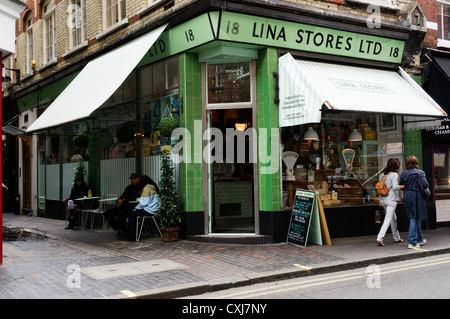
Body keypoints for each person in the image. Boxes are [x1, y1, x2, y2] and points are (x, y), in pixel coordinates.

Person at [400, 155, 429, 249]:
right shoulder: (420, 172)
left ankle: (419, 239)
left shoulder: (404, 173)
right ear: (416, 163)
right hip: (417, 196)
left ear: (407, 163)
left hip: (407, 196)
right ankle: (412, 242)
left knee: (416, 217)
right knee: (414, 218)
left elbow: (401, 185)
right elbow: (425, 184)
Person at [376, 158, 404, 246]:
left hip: (384, 200)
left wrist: (380, 199)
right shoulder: (394, 175)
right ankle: (380, 238)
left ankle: (397, 238)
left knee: (393, 219)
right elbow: (395, 187)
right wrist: (404, 186)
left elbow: (380, 188)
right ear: (396, 166)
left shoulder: (382, 175)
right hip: (391, 200)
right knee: (388, 219)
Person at [104, 173, 141, 237]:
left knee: (120, 214)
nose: (132, 180)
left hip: (131, 206)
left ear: (138, 179)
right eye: (131, 179)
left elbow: (134, 197)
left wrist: (123, 201)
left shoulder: (140, 188)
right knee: (107, 213)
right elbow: (123, 195)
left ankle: (124, 229)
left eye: (134, 179)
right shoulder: (129, 187)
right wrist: (119, 200)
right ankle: (121, 228)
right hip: (123, 206)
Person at [127, 175, 160, 241]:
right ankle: (137, 234)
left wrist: (135, 208)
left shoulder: (146, 188)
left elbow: (143, 203)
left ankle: (133, 236)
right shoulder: (153, 187)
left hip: (150, 210)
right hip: (156, 209)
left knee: (131, 214)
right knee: (135, 213)